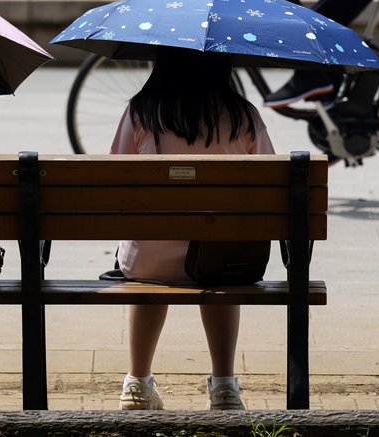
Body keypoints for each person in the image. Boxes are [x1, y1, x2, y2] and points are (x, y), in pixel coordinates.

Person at [110, 48, 275, 411]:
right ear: (222, 64)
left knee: (147, 271)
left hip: (149, 260)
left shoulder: (141, 111)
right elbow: (269, 187)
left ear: (163, 62)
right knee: (221, 269)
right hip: (222, 259)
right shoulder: (242, 114)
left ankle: (137, 383)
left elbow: (116, 180)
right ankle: (225, 386)